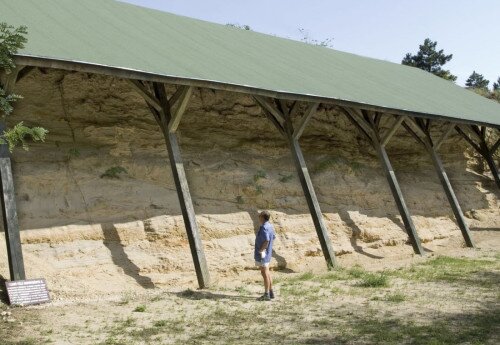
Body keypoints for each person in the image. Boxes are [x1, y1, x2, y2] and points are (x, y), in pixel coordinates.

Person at [254, 210, 276, 301]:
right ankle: (271, 292)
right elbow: (273, 237)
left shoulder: (263, 227)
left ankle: (266, 294)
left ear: (262, 217)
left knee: (264, 273)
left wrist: (261, 250)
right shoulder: (270, 226)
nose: (259, 217)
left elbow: (266, 240)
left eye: (260, 216)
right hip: (268, 253)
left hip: (263, 254)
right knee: (267, 272)